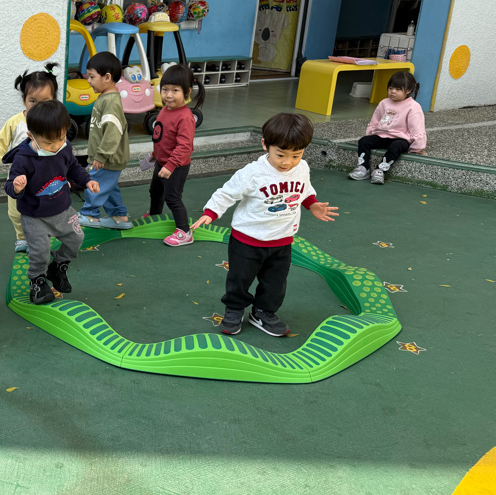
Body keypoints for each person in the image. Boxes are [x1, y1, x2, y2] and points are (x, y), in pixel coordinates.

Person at [191, 113, 339, 337]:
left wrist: (312, 204)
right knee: (240, 279)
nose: (287, 162)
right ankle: (234, 309)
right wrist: (211, 212)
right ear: (265, 145)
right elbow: (227, 193)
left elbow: (305, 188)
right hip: (247, 239)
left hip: (282, 240)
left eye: (296, 155)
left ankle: (263, 312)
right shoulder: (253, 173)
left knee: (275, 282)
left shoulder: (302, 167)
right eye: (280, 154)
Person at [4, 100, 99, 305]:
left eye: (61, 138)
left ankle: (57, 266)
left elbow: (73, 167)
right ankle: (37, 281)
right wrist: (17, 187)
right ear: (31, 136)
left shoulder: (64, 148)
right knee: (40, 251)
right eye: (49, 143)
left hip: (62, 209)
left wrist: (87, 181)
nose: (56, 146)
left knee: (77, 238)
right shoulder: (23, 158)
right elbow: (9, 186)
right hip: (34, 216)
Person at [0, 63, 59, 252]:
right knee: (16, 210)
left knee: (45, 209)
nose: (38, 107)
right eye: (33, 101)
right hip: (19, 176)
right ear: (24, 99)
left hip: (45, 176)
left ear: (54, 100)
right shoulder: (16, 122)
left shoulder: (54, 122)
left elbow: (62, 146)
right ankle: (22, 237)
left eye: (45, 102)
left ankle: (42, 236)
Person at [143, 63, 206, 246]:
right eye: (165, 89)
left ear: (187, 92)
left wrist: (170, 166)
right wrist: (155, 154)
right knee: (155, 191)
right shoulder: (164, 110)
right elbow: (161, 136)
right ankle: (155, 215)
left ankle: (184, 231)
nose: (168, 95)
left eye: (175, 90)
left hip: (176, 166)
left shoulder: (185, 117)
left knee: (172, 197)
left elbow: (185, 147)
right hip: (161, 162)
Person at [79, 51, 132, 230]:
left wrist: (101, 155)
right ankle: (119, 216)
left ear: (107, 77)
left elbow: (112, 132)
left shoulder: (110, 102)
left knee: (95, 183)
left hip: (106, 158)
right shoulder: (106, 98)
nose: (88, 80)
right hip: (106, 157)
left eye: (92, 77)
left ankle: (90, 214)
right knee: (109, 187)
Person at [348, 71, 426, 185]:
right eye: (390, 88)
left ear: (408, 91)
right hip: (382, 135)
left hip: (400, 139)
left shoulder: (413, 107)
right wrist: (371, 134)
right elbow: (375, 121)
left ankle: (380, 170)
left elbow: (417, 127)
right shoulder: (384, 103)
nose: (392, 91)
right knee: (364, 141)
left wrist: (417, 147)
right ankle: (363, 168)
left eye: (398, 89)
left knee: (396, 146)